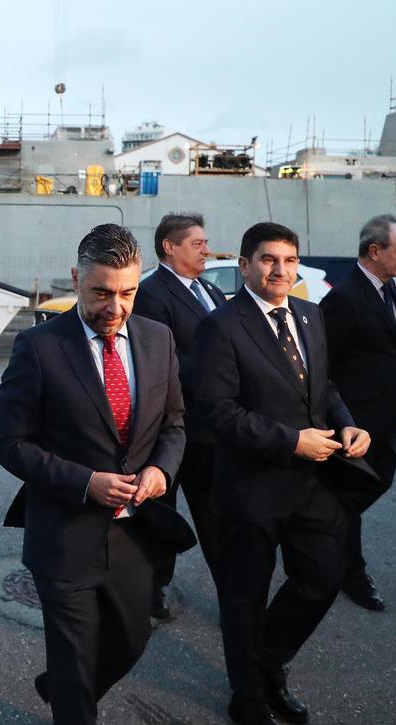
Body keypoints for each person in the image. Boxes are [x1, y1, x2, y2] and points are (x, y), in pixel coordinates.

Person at [0, 224, 186, 725]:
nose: (116, 306)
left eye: (127, 292)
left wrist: (161, 471)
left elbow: (173, 424)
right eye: (102, 292)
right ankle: (73, 712)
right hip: (65, 531)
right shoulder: (37, 347)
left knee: (131, 640)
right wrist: (85, 483)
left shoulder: (158, 339)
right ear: (77, 279)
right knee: (75, 664)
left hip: (134, 533)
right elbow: (9, 444)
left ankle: (62, 689)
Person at [193, 222, 371, 725]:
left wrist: (345, 422)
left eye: (289, 260)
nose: (280, 270)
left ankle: (266, 662)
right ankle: (247, 700)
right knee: (243, 600)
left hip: (309, 483)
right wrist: (292, 440)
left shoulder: (311, 316)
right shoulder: (221, 326)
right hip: (248, 489)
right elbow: (217, 413)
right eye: (269, 259)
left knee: (322, 577)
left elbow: (323, 386)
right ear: (245, 265)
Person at [319, 215, 396, 612]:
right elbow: (322, 363)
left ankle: (324, 535)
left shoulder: (383, 289)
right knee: (349, 494)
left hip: (384, 416)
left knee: (372, 483)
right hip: (356, 423)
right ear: (374, 251)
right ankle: (349, 570)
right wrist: (341, 419)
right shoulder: (346, 297)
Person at [133, 212, 227, 620]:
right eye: (197, 243)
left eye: (206, 243)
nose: (206, 249)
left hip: (213, 428)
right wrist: (221, 373)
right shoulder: (152, 293)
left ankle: (233, 591)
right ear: (169, 247)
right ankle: (154, 587)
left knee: (217, 517)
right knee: (163, 513)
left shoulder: (211, 290)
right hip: (174, 427)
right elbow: (161, 361)